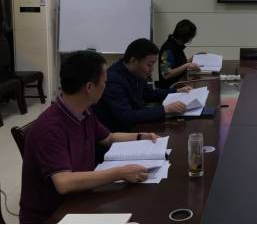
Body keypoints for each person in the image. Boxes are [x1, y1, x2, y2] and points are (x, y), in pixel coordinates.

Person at [20, 51, 160, 224]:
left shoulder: (83, 111)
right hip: (53, 215)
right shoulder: (50, 128)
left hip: (81, 199)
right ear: (89, 87)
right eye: (104, 81)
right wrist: (120, 172)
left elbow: (108, 138)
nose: (106, 86)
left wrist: (140, 136)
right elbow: (64, 183)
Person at [92, 38, 193, 134]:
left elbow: (150, 94)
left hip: (134, 127)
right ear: (133, 61)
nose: (152, 69)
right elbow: (127, 117)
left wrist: (176, 91)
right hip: (118, 134)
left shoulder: (136, 73)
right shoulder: (113, 81)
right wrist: (165, 109)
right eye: (150, 64)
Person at [158, 19, 205, 90]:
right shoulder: (168, 49)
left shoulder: (176, 45)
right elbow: (166, 75)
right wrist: (186, 65)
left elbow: (178, 64)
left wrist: (193, 58)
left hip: (179, 85)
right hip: (170, 89)